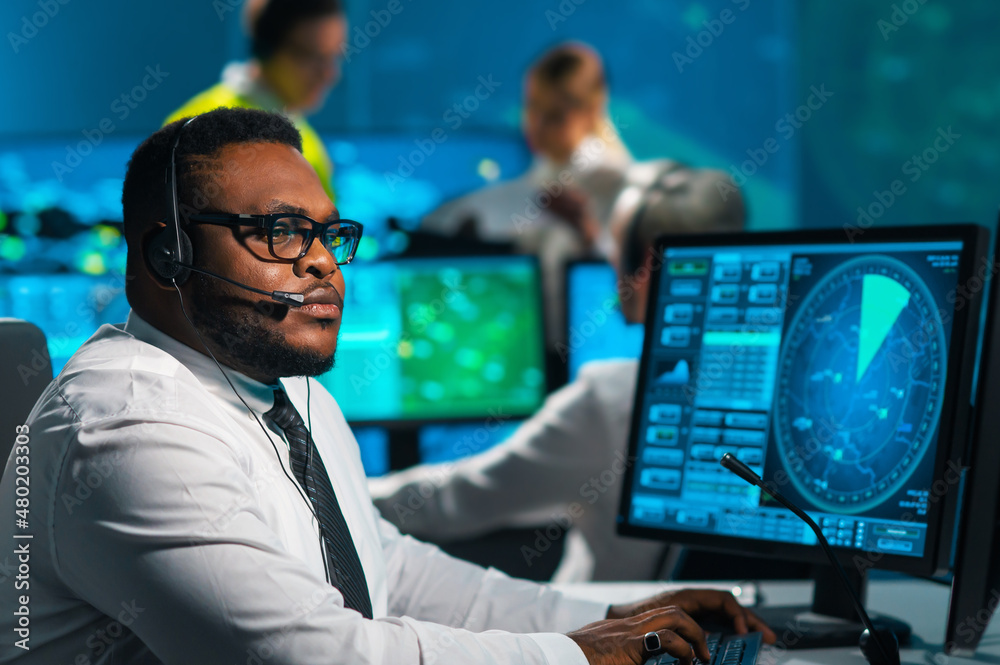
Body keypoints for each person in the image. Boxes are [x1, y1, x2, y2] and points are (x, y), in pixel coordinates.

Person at [0, 109, 771, 664]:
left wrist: (613, 617)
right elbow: (312, 655)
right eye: (278, 233)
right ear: (166, 256)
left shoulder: (290, 396)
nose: (322, 263)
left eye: (329, 235)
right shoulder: (129, 426)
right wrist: (574, 654)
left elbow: (389, 570)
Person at [370, 161, 746, 583]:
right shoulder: (756, 397)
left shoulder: (609, 400)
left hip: (603, 632)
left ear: (642, 265)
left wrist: (349, 495)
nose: (605, 260)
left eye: (612, 248)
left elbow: (460, 498)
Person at [422, 42, 632, 344]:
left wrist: (585, 231)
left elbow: (627, 286)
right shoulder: (544, 170)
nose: (536, 125)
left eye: (555, 115)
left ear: (592, 110)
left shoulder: (611, 181)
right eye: (532, 107)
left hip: (585, 347)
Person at [164, 0, 344, 200]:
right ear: (266, 48)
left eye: (333, 57)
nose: (329, 74)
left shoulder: (310, 143)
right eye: (311, 56)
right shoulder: (196, 125)